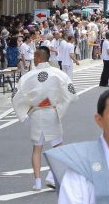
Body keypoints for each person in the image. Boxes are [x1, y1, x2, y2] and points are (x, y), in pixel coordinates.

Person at [13, 45, 77, 191]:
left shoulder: (28, 77)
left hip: (36, 113)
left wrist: (26, 109)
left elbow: (17, 95)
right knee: (58, 147)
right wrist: (59, 105)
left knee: (37, 148)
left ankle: (38, 183)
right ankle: (52, 176)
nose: (34, 59)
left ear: (38, 57)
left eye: (35, 57)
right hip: (51, 112)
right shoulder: (58, 74)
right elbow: (70, 92)